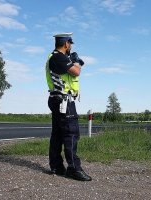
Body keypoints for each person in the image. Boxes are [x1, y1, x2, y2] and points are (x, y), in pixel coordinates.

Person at [45, 32, 91, 181]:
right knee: (71, 134)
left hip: (58, 99)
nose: (70, 46)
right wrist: (77, 61)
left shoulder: (55, 57)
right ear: (66, 44)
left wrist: (72, 60)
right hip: (63, 100)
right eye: (70, 43)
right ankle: (73, 169)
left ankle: (57, 166)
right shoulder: (58, 57)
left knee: (57, 134)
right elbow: (76, 72)